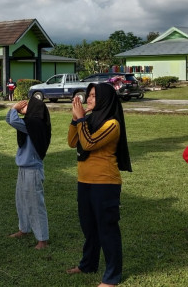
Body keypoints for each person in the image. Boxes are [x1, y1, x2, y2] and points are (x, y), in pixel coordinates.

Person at [66, 83, 132, 287]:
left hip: (105, 183)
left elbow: (88, 143)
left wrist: (81, 119)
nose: (89, 99)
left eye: (94, 96)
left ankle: (112, 277)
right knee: (89, 228)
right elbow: (72, 141)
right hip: (84, 182)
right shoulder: (89, 120)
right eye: (89, 95)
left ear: (104, 99)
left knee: (107, 229)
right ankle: (88, 265)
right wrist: (76, 119)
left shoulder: (112, 124)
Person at [6, 96, 51, 250]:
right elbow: (12, 120)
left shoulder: (35, 124)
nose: (22, 106)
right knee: (22, 200)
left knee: (35, 203)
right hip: (24, 168)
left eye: (26, 105)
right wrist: (14, 109)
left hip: (32, 169)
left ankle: (42, 239)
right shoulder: (30, 123)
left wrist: (14, 108)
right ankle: (24, 228)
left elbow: (12, 120)